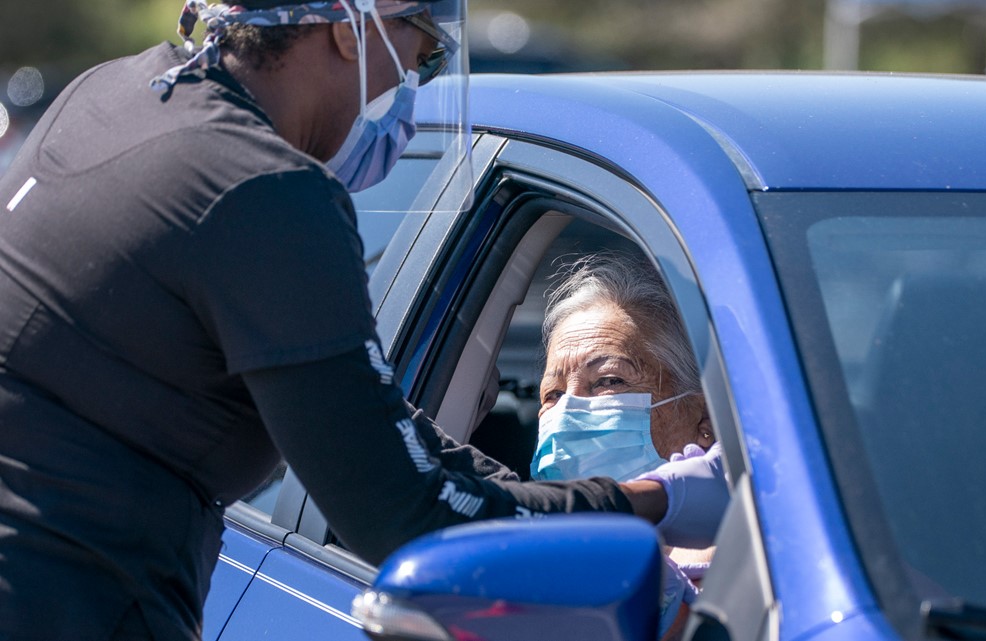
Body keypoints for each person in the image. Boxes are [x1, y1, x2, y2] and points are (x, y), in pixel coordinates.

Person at [0, 1, 727, 639]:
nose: (415, 83)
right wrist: (650, 500)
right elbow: (402, 513)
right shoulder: (266, 192)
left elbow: (376, 431)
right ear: (358, 28)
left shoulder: (115, 93)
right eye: (423, 48)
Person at [531, 251, 720, 640]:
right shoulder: (535, 554)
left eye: (608, 381)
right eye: (551, 394)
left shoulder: (764, 562)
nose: (567, 412)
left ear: (705, 418)